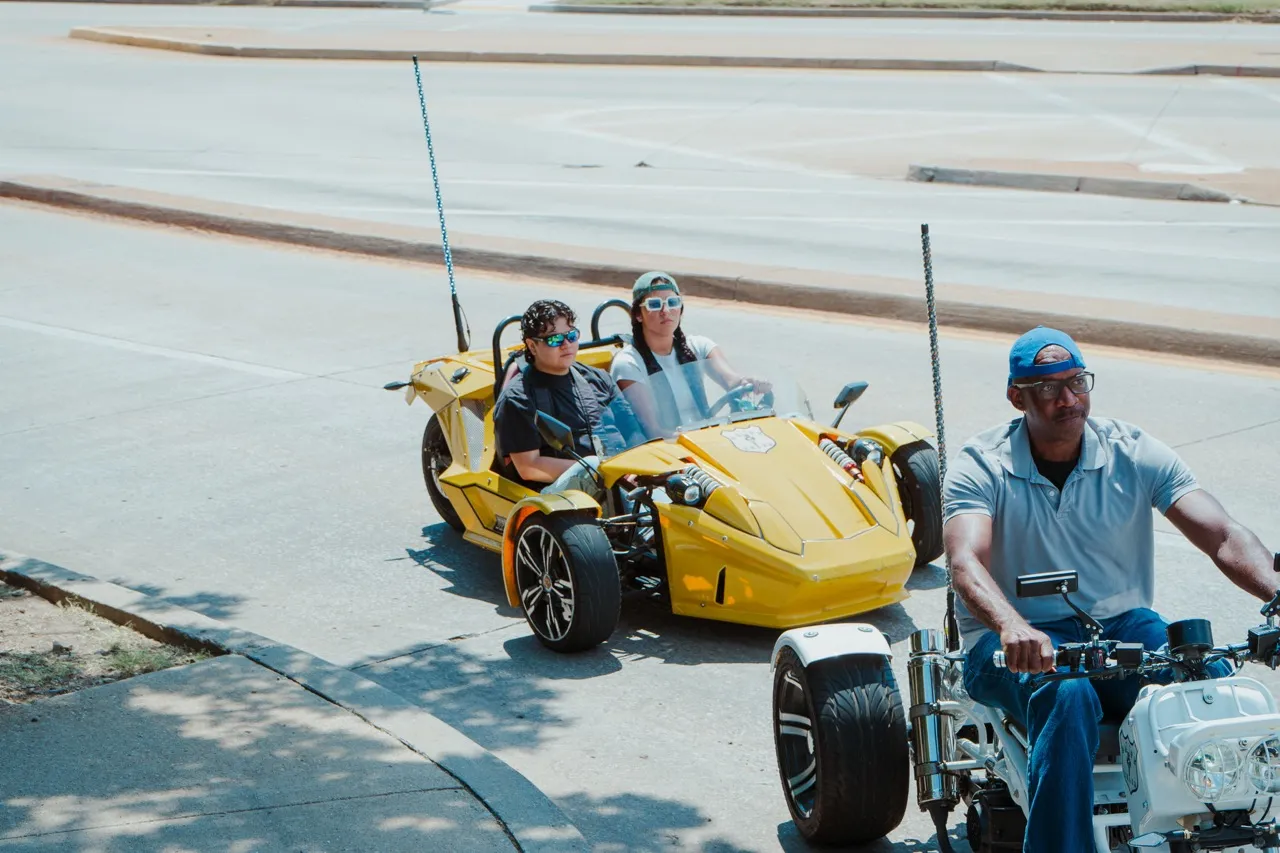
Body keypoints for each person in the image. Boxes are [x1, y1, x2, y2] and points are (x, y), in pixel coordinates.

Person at [943, 326, 1276, 853]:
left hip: (1121, 627)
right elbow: (965, 562)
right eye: (1049, 388)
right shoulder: (983, 463)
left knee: (1208, 677)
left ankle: (1234, 832)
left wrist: (1275, 592)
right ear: (1017, 397)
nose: (1069, 399)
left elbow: (1225, 534)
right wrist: (1012, 626)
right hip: (1012, 641)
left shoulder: (1133, 451)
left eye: (1077, 382)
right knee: (1068, 694)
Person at [494, 299, 639, 497]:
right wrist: (605, 472)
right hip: (558, 496)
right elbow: (528, 467)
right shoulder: (518, 397)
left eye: (571, 336)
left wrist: (633, 467)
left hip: (622, 476)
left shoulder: (598, 378)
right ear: (532, 346)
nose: (566, 345)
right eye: (555, 340)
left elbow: (633, 431)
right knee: (592, 464)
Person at [610, 271, 770, 438]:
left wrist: (749, 382)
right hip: (668, 448)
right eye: (655, 304)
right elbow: (652, 430)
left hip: (706, 439)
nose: (666, 311)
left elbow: (731, 380)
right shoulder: (628, 363)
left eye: (673, 302)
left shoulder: (699, 346)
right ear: (638, 315)